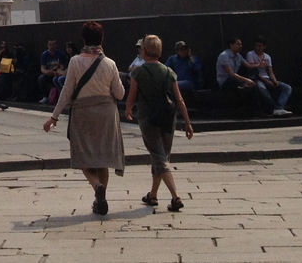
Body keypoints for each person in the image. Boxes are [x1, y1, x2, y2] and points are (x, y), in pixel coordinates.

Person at [42, 21, 125, 216]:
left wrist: (53, 117)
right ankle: (100, 198)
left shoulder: (75, 62)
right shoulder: (110, 63)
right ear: (102, 39)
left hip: (83, 114)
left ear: (83, 39)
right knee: (102, 158)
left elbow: (66, 91)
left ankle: (97, 187)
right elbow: (120, 94)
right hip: (106, 115)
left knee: (83, 158)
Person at [125, 35, 193, 213]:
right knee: (162, 156)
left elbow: (131, 96)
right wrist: (187, 123)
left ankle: (175, 196)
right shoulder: (169, 71)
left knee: (159, 157)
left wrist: (128, 110)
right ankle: (152, 195)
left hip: (148, 118)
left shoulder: (138, 72)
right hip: (168, 118)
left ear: (144, 51)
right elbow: (179, 99)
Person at [244, 37, 293, 116]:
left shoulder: (267, 57)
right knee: (262, 89)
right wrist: (266, 81)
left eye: (260, 46)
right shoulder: (250, 54)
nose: (258, 48)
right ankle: (276, 108)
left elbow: (270, 71)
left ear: (264, 47)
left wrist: (274, 80)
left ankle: (279, 108)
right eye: (256, 46)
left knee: (287, 88)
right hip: (257, 79)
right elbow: (253, 71)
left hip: (268, 78)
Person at [215, 38, 263, 109]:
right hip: (225, 81)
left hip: (236, 80)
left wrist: (259, 65)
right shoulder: (224, 56)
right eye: (238, 44)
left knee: (253, 84)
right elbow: (231, 74)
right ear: (231, 45)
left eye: (241, 44)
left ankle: (257, 110)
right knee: (243, 84)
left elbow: (248, 65)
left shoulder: (238, 56)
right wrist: (246, 80)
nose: (241, 46)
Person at [37, 38, 68, 103]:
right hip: (49, 73)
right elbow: (42, 68)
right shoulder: (44, 54)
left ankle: (61, 97)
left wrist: (57, 71)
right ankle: (45, 97)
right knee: (41, 78)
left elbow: (62, 67)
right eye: (50, 45)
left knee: (57, 79)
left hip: (58, 72)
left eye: (53, 45)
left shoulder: (60, 54)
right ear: (47, 45)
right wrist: (47, 72)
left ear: (56, 45)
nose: (51, 47)